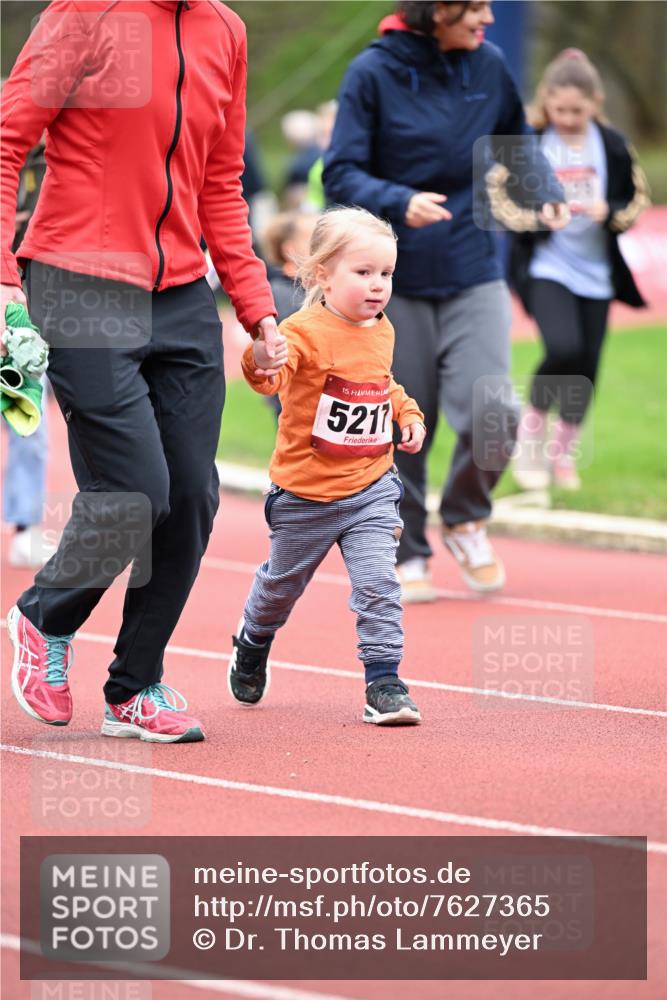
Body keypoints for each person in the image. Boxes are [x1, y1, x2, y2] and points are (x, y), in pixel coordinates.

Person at [2, 0, 279, 743]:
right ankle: (42, 618)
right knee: (133, 492)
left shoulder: (225, 30)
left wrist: (257, 309)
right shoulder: (86, 11)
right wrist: (2, 278)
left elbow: (221, 182)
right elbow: (6, 139)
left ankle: (135, 686)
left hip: (184, 294)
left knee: (190, 495)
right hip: (78, 277)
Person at [323, 0, 567, 602]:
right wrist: (397, 198)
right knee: (404, 422)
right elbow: (341, 172)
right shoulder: (371, 72)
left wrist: (545, 190)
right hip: (390, 275)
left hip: (473, 264)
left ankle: (464, 516)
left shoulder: (490, 65)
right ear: (434, 11)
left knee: (496, 412)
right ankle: (408, 548)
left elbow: (517, 142)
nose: (486, 17)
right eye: (473, 7)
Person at [228, 207, 427, 726]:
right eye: (363, 273)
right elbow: (267, 379)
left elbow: (383, 385)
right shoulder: (302, 330)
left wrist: (407, 414)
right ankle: (252, 639)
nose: (378, 285)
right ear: (323, 274)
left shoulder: (381, 328)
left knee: (379, 585)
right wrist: (260, 357)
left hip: (371, 486)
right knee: (279, 588)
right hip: (304, 495)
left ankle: (384, 682)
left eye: (386, 273)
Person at [492, 49, 650, 490]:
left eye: (576, 110)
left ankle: (563, 457)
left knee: (586, 367)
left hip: (597, 271)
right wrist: (542, 216)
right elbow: (499, 201)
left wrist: (609, 211)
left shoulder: (614, 145)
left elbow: (636, 200)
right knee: (563, 346)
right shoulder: (531, 141)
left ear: (595, 103)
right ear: (545, 102)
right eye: (557, 109)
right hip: (546, 265)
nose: (565, 117)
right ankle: (530, 440)